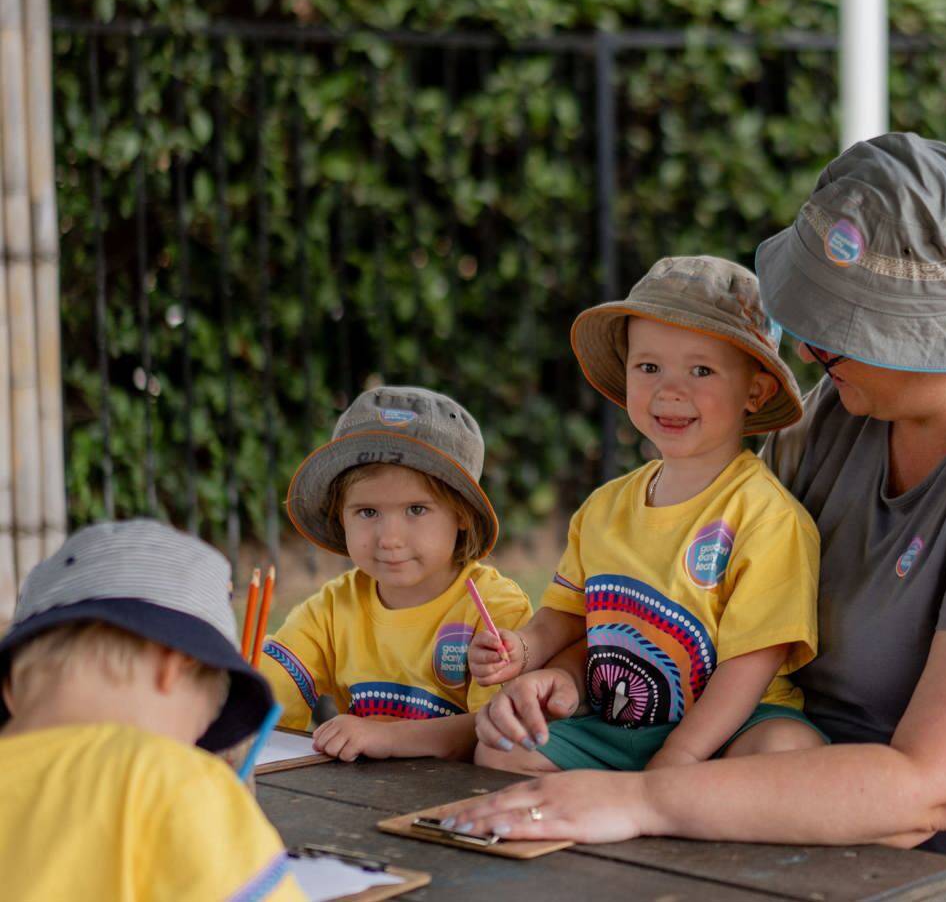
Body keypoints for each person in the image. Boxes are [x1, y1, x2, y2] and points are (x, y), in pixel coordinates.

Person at [449, 133, 946, 902]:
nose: (807, 349)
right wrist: (573, 672)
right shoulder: (846, 410)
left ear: (926, 332)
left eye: (838, 328)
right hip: (805, 793)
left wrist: (642, 801)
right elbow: (700, 609)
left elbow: (933, 792)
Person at [464, 255, 825, 777]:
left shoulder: (766, 516)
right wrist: (522, 649)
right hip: (621, 724)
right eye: (648, 367)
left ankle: (654, 803)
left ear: (755, 391)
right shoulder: (603, 509)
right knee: (499, 749)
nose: (669, 390)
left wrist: (679, 756)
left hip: (732, 725)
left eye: (701, 370)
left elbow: (751, 666)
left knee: (788, 750)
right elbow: (567, 617)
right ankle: (634, 814)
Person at [0, 519, 305, 901]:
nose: (192, 748)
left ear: (11, 688)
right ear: (174, 667)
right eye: (198, 731)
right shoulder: (175, 783)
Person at [263, 385, 533, 760]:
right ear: (340, 516)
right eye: (367, 512)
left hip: (456, 803)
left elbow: (496, 730)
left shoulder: (495, 609)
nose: (389, 539)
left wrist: (386, 737)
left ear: (462, 515)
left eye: (416, 510)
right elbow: (272, 688)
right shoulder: (331, 608)